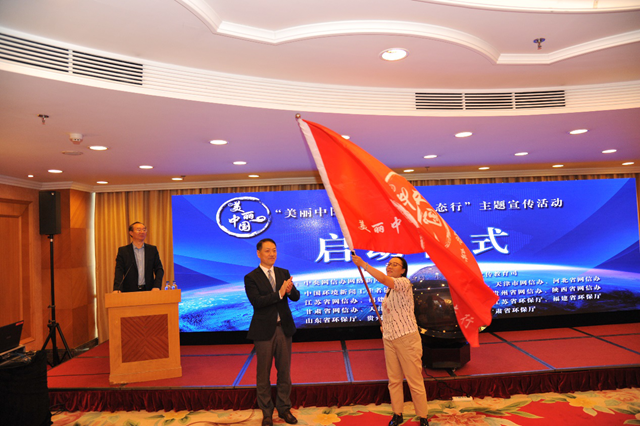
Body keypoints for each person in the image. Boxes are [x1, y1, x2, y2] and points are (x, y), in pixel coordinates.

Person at [352, 254, 429, 426]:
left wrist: (363, 264)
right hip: (389, 339)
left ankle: (423, 416)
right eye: (389, 263)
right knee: (394, 380)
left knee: (414, 380)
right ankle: (397, 413)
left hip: (407, 338)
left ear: (403, 270)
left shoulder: (403, 283)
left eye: (395, 264)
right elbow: (393, 313)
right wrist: (385, 326)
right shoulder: (389, 291)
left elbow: (383, 279)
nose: (390, 266)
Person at [244, 238, 301, 426]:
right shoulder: (251, 277)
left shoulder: (283, 273)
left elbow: (295, 296)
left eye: (274, 250)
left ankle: (284, 409)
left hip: (284, 329)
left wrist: (290, 290)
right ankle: (267, 413)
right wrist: (280, 293)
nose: (272, 254)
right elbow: (257, 302)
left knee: (284, 372)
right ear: (258, 253)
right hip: (263, 332)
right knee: (263, 374)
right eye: (267, 250)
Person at [113, 222, 164, 293]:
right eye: (139, 230)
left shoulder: (152, 250)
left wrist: (157, 286)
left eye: (144, 230)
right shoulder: (123, 251)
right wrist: (117, 288)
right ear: (131, 233)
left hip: (149, 290)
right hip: (129, 291)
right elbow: (119, 271)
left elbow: (159, 269)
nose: (142, 232)